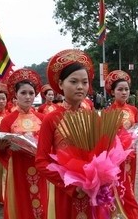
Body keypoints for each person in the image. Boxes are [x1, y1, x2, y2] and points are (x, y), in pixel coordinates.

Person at [35, 49, 104, 218]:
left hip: (92, 191)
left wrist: (100, 177)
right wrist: (70, 183)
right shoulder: (51, 119)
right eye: (73, 81)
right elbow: (41, 161)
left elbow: (103, 152)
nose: (80, 87)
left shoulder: (93, 117)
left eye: (84, 82)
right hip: (65, 191)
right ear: (60, 84)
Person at [104, 70, 138, 218]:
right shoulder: (107, 112)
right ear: (112, 92)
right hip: (114, 157)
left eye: (126, 89)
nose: (124, 92)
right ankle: (116, 213)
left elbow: (137, 130)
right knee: (116, 185)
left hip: (131, 154)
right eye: (120, 89)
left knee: (130, 183)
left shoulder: (133, 110)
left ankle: (128, 213)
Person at [0, 69, 48, 219]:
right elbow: (0, 149)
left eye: (31, 93)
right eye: (23, 93)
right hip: (18, 167)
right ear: (15, 95)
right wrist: (2, 147)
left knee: (43, 200)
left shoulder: (43, 118)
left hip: (40, 167)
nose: (28, 97)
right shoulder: (8, 121)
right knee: (21, 199)